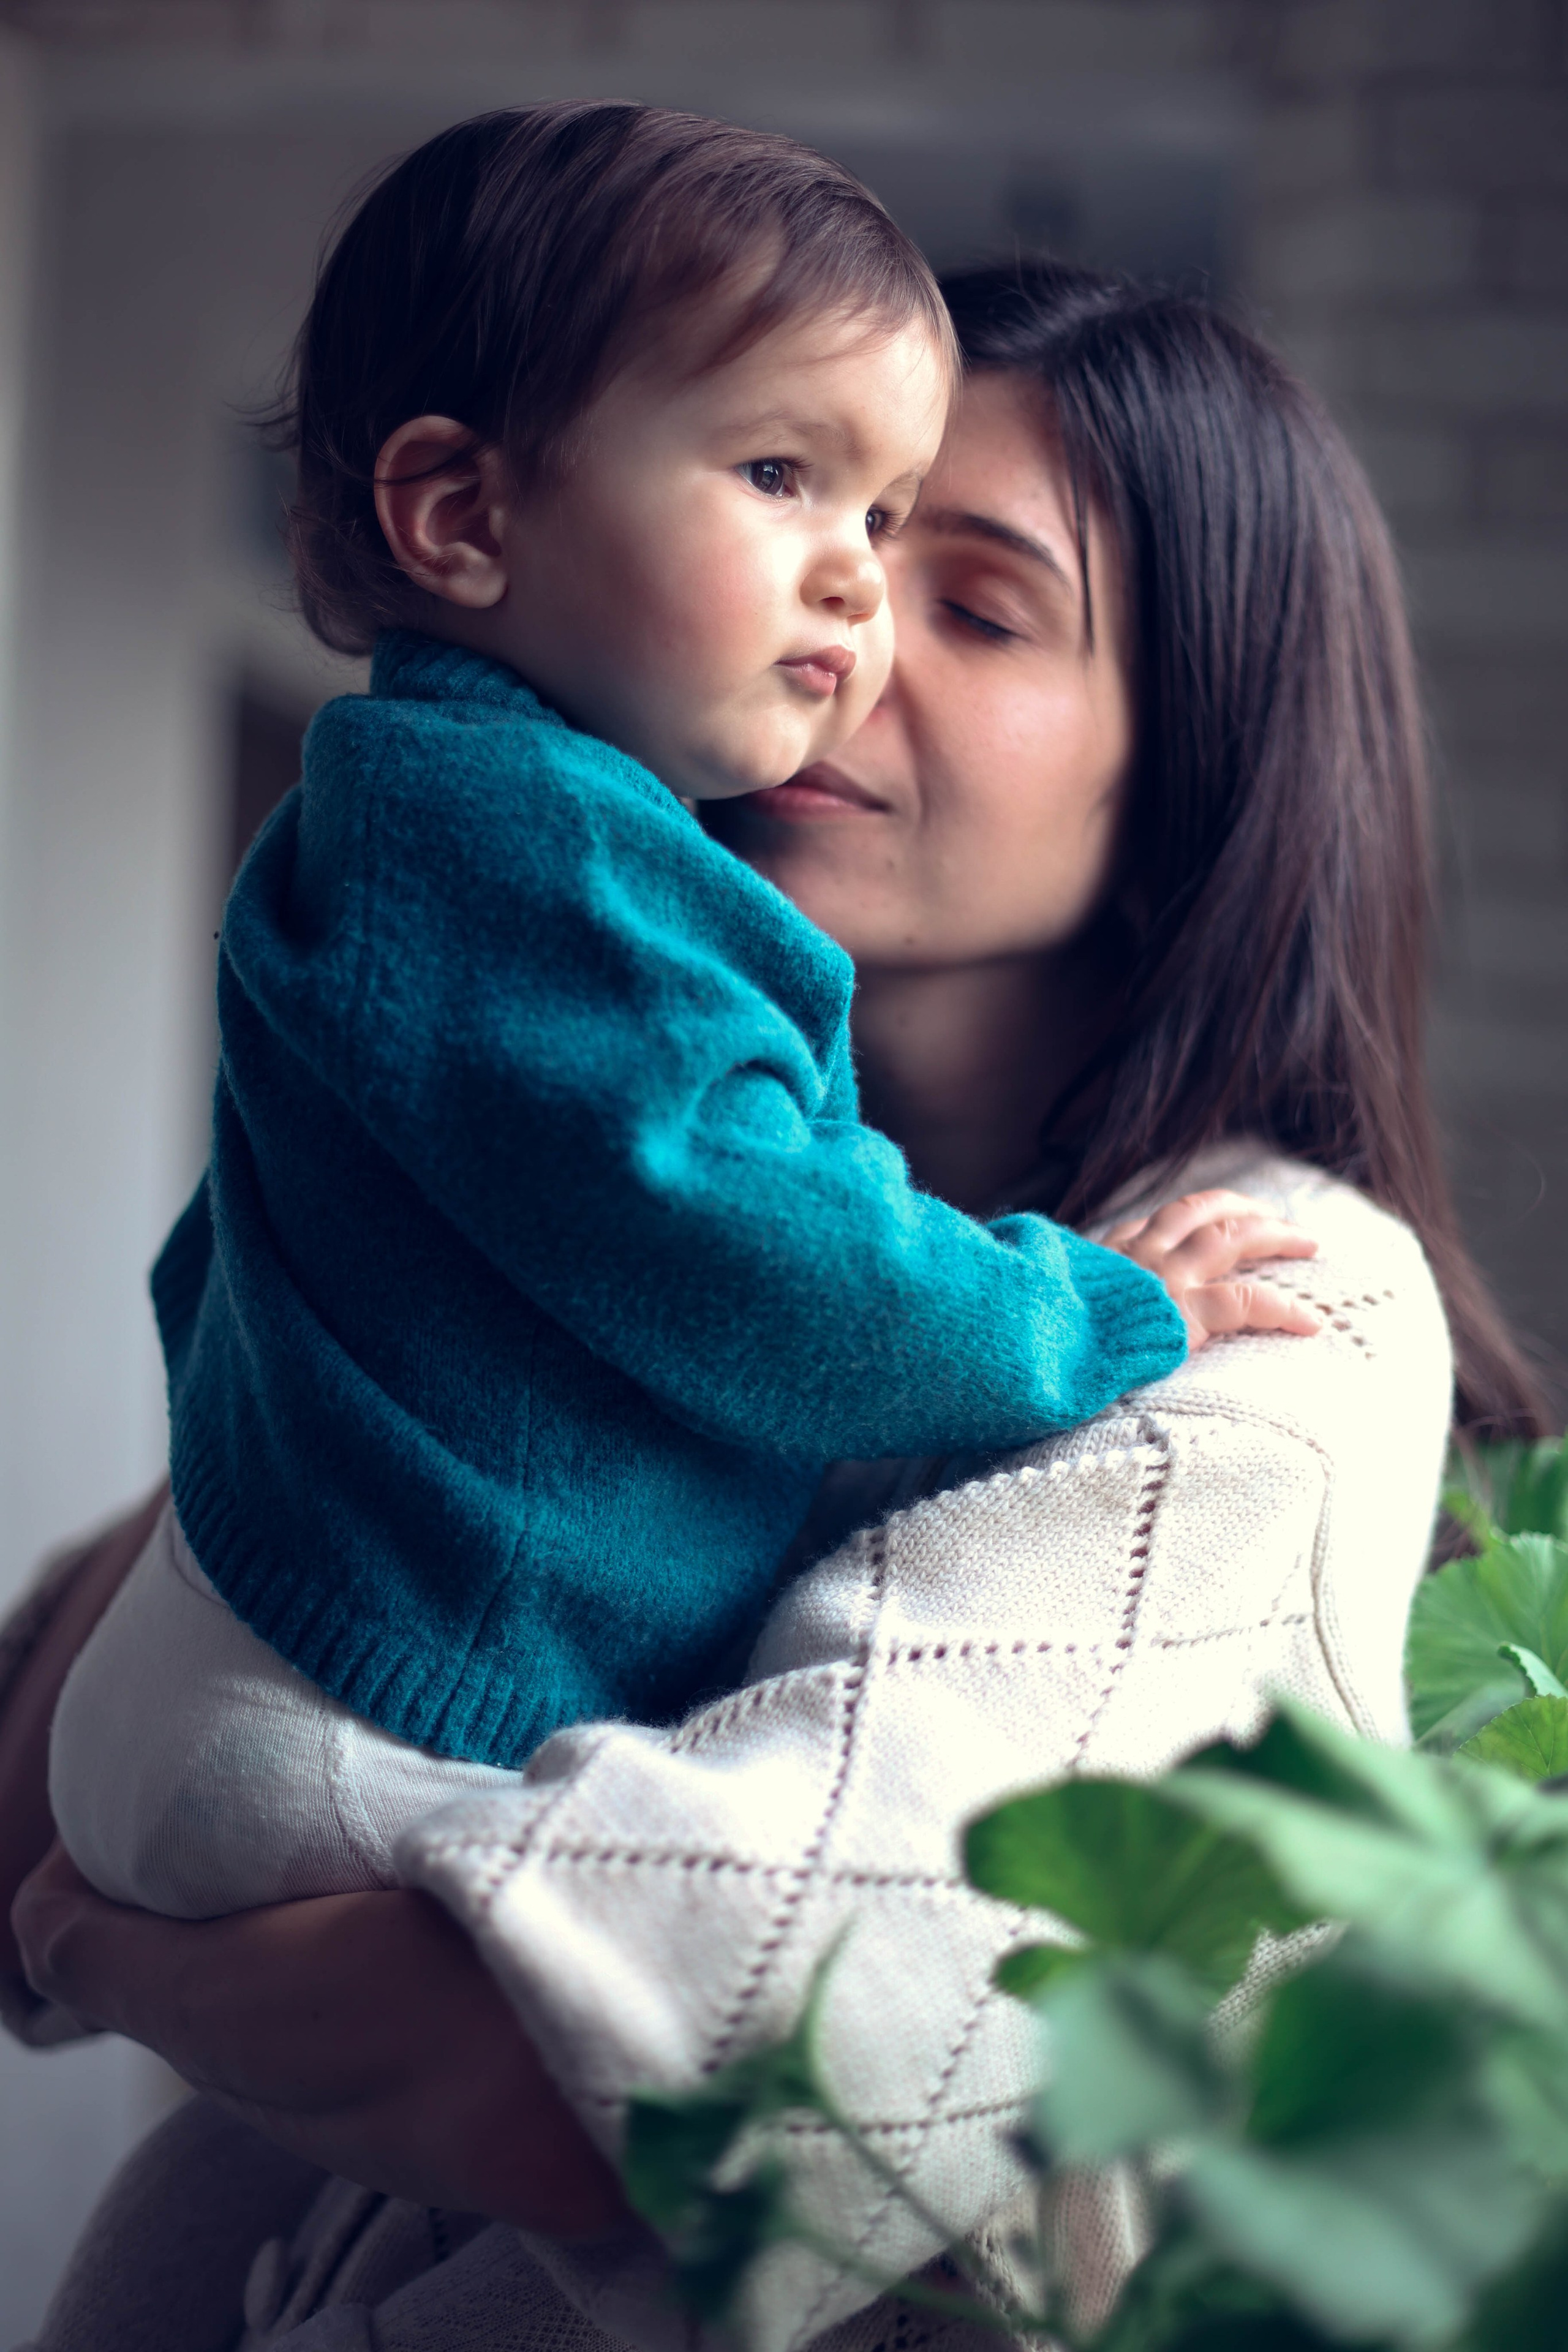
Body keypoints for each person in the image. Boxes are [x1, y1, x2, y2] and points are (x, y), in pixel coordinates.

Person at [5, 257, 1548, 2352]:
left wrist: (133, 1956)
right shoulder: (576, 1178)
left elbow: (660, 2091)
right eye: (807, 522)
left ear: (1198, 772)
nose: (838, 630)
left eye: (978, 603)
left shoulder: (1277, 1307)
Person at [44, 105, 1313, 1931]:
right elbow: (771, 1260)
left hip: (259, 1640)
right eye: (781, 477)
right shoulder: (551, 866)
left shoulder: (411, 808)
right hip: (368, 1712)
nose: (856, 578)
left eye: (887, 515)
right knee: (653, 2144)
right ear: (464, 515)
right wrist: (1102, 1307)